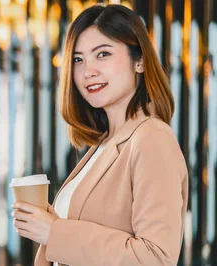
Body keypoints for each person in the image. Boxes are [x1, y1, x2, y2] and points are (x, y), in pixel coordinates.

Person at [11, 4, 188, 266]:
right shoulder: (104, 144)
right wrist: (51, 223)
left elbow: (155, 257)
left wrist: (55, 231)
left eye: (102, 54)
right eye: (78, 59)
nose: (87, 71)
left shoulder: (152, 138)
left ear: (139, 61)